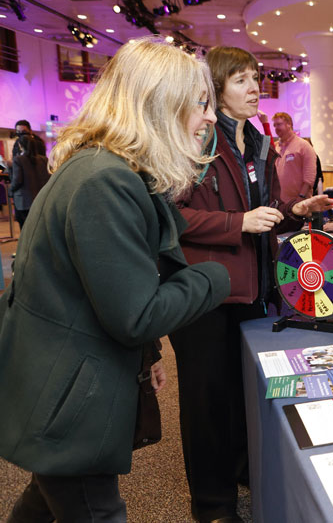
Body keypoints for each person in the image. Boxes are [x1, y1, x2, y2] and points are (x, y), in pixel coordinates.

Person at [0, 38, 230, 523]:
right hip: (65, 401)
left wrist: (146, 358)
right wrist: (215, 278)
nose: (210, 118)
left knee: (44, 506)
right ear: (160, 106)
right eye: (200, 104)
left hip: (55, 388)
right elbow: (135, 314)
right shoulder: (107, 181)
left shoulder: (101, 169)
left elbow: (102, 287)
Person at [168, 46, 333, 523]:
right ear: (216, 89)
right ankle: (213, 506)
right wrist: (236, 223)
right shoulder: (196, 139)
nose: (254, 87)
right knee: (207, 404)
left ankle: (240, 469)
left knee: (242, 394)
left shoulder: (259, 142)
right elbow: (172, 216)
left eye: (255, 78)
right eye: (240, 80)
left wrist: (296, 211)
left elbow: (268, 213)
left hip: (254, 291)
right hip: (205, 294)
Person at [273, 111, 317, 203]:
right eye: (275, 125)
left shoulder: (304, 146)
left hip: (299, 202)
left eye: (279, 124)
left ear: (289, 124)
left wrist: (301, 197)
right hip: (279, 203)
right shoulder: (275, 147)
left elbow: (309, 177)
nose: (276, 128)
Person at [9, 132, 50, 229]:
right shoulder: (44, 159)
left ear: (20, 145)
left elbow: (17, 180)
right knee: (39, 227)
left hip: (24, 201)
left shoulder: (18, 159)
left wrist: (10, 191)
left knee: (25, 228)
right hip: (41, 199)